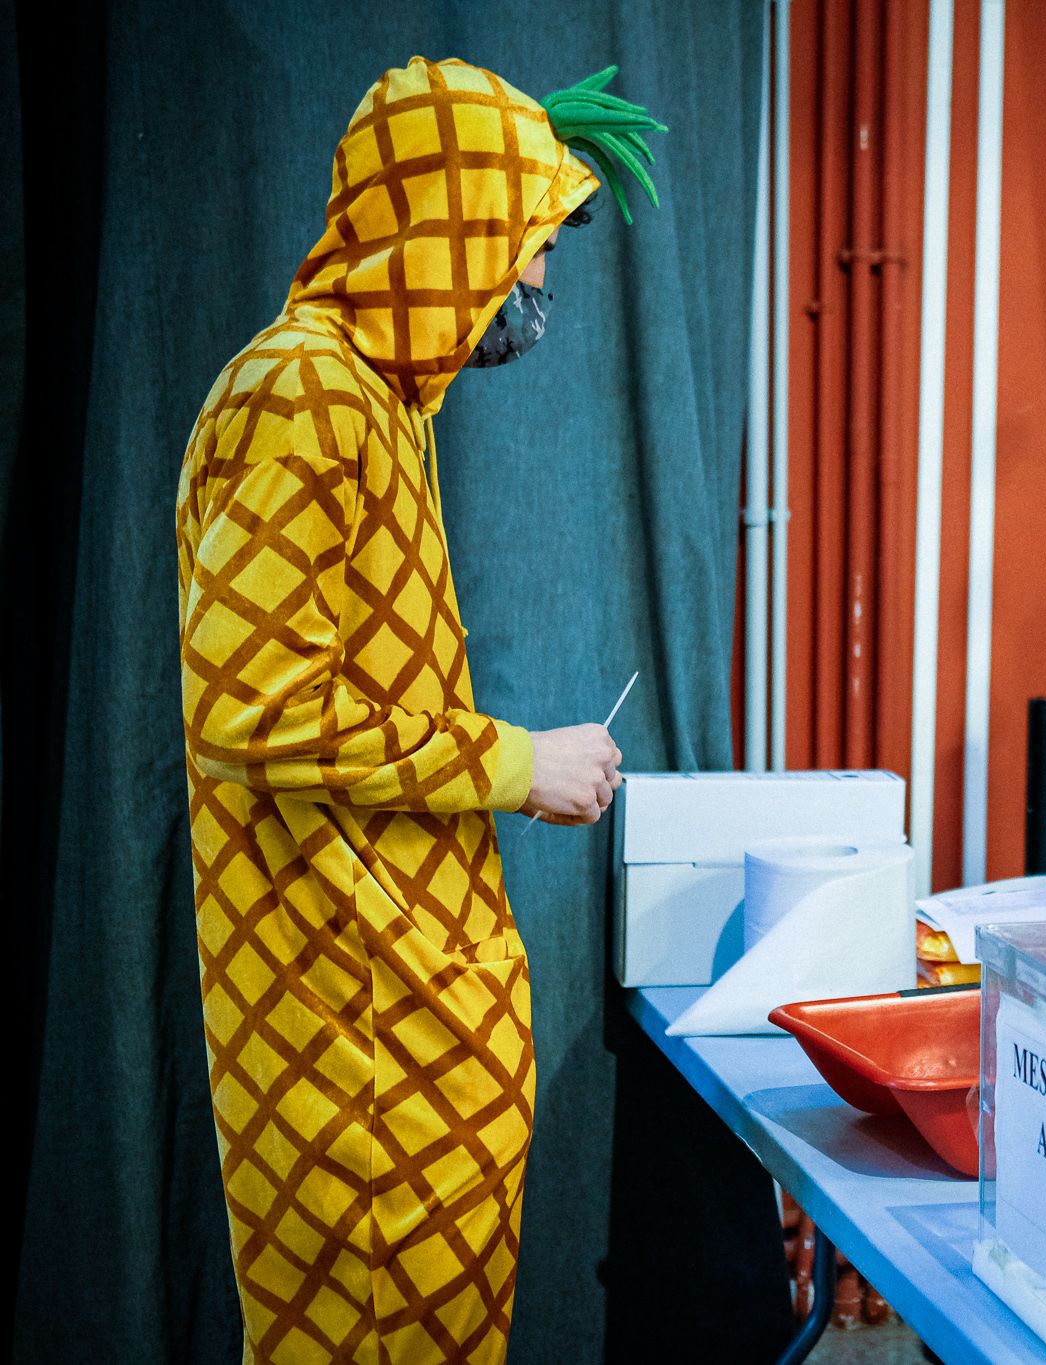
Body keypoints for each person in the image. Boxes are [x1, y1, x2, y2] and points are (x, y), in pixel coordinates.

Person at [175, 59, 663, 1364]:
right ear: (449, 222)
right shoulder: (302, 399)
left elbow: (355, 703)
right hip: (356, 1077)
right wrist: (517, 762)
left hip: (407, 1056)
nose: (539, 285)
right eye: (528, 241)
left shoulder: (380, 406)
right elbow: (257, 709)